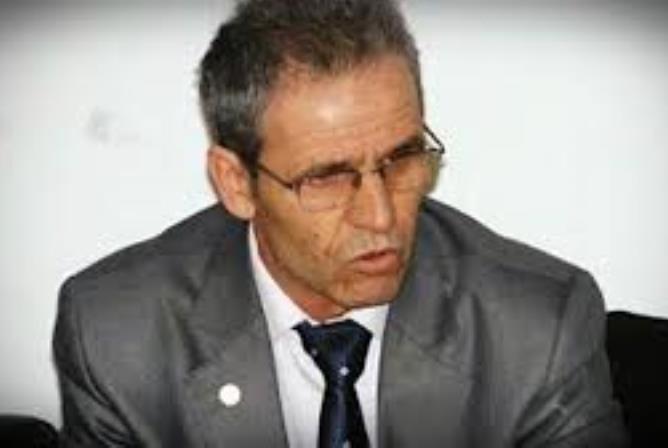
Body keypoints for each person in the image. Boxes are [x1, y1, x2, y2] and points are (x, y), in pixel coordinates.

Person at [52, 0, 628, 446]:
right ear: (236, 183)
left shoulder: (538, 329)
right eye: (326, 178)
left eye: (401, 158)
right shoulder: (116, 336)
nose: (382, 216)